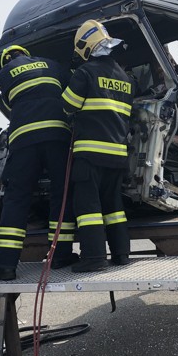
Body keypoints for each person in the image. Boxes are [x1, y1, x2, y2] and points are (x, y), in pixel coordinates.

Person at [0, 45, 75, 280]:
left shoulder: (5, 74)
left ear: (7, 60)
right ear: (27, 54)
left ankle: (6, 266)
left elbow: (9, 105)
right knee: (61, 194)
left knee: (16, 199)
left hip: (23, 141)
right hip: (57, 136)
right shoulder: (51, 63)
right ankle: (61, 256)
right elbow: (70, 94)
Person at [61, 19, 134, 272]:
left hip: (90, 154)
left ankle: (93, 259)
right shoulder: (125, 77)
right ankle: (122, 254)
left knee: (88, 208)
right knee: (114, 207)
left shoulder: (85, 73)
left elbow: (68, 106)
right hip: (118, 155)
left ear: (85, 46)